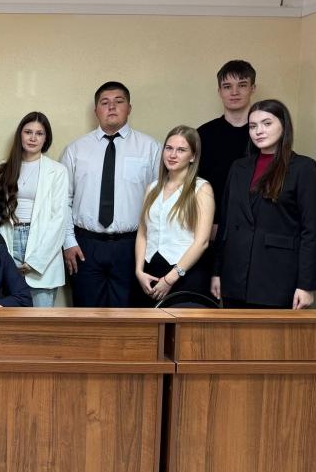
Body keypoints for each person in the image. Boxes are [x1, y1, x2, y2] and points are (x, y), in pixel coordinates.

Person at [212, 100, 316, 309]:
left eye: (267, 123)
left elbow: (311, 232)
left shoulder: (303, 168)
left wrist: (306, 285)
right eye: (253, 126)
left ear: (284, 125)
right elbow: (225, 224)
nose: (258, 131)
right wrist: (217, 272)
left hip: (277, 277)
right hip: (234, 276)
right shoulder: (238, 167)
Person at [61, 81, 161, 307]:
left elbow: (160, 201)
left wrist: (151, 247)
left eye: (119, 101)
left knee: (129, 314)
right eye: (105, 103)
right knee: (86, 314)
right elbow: (63, 201)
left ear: (129, 108)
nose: (112, 107)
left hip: (132, 245)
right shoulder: (75, 150)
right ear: (96, 110)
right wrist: (68, 242)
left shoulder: (151, 148)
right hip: (84, 246)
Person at [0, 112, 68, 307]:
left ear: (46, 138)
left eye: (39, 133)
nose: (33, 138)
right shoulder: (2, 168)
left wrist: (36, 261)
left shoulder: (57, 171)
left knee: (40, 318)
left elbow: (59, 219)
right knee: (9, 314)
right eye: (28, 132)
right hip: (10, 239)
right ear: (20, 134)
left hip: (43, 244)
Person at [135, 126, 215, 304]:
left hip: (185, 275)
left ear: (193, 156)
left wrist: (170, 279)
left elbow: (202, 242)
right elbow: (143, 233)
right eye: (169, 148)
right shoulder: (152, 188)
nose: (172, 155)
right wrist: (139, 271)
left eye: (181, 150)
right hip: (150, 274)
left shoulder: (202, 189)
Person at [198, 60, 256, 240]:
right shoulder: (203, 134)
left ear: (253, 89)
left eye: (242, 85)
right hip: (211, 229)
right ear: (219, 92)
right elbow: (194, 184)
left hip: (256, 230)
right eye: (227, 86)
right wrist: (208, 224)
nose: (234, 92)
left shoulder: (264, 135)